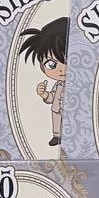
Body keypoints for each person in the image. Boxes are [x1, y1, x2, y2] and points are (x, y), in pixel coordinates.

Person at [19, 17, 68, 146]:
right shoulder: (58, 84)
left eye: (68, 62)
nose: (61, 69)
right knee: (56, 118)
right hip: (56, 108)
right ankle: (57, 136)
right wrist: (45, 94)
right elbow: (52, 97)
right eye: (51, 64)